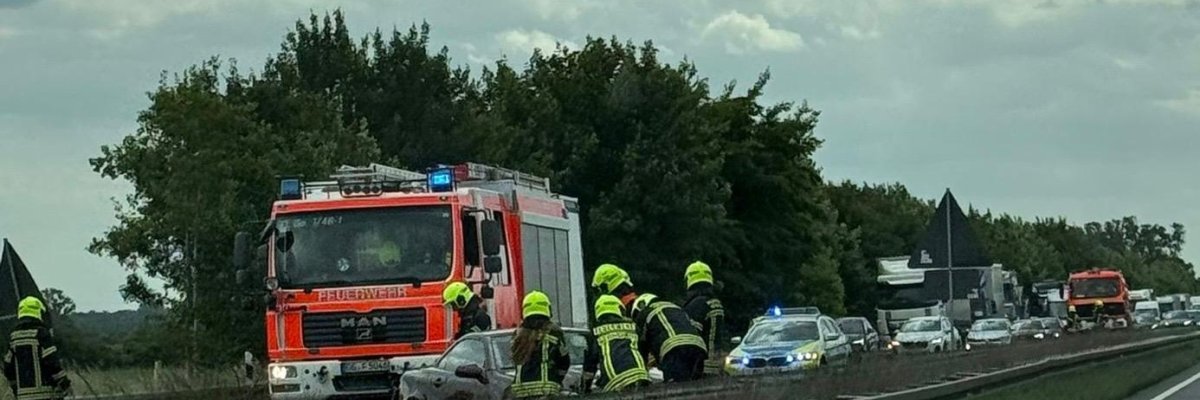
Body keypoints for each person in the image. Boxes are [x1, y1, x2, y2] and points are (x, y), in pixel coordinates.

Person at [3, 297, 69, 400]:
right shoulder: (41, 333)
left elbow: (8, 367)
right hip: (45, 394)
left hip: (23, 396)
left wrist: (16, 387)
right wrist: (63, 382)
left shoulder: (13, 337)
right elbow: (51, 360)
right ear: (38, 312)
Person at [631, 293, 707, 382]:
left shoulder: (646, 312)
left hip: (674, 348)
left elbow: (642, 346)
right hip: (698, 346)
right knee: (697, 384)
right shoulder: (676, 308)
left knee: (675, 387)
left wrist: (643, 370)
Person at [582, 295, 650, 393]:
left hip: (615, 381)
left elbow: (590, 366)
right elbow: (643, 351)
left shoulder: (595, 333)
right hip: (641, 376)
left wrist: (585, 388)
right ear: (620, 309)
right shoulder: (633, 327)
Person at [510, 291, 571, 399]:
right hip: (546, 390)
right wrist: (558, 378)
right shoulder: (554, 331)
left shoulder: (517, 334)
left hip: (520, 391)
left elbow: (514, 360)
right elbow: (564, 361)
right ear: (548, 309)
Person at [681, 261, 726, 375]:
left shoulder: (695, 305)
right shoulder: (715, 303)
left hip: (700, 365)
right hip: (717, 363)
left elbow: (692, 337)